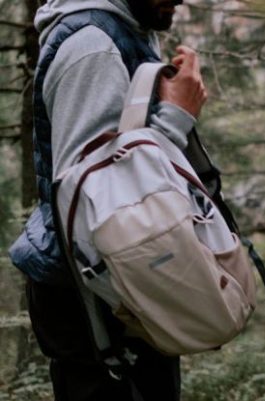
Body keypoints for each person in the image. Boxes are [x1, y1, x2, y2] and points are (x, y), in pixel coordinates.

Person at [10, 0, 206, 399]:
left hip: (121, 287)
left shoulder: (123, 34)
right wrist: (176, 117)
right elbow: (90, 201)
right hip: (98, 299)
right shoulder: (94, 46)